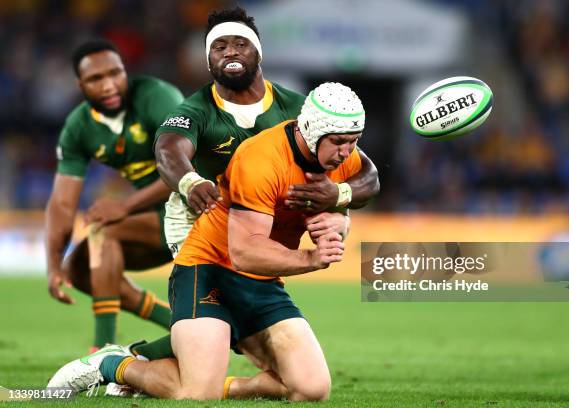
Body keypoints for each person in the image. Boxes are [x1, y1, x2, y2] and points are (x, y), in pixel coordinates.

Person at [48, 82, 371, 402]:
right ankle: (113, 364)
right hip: (210, 269)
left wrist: (340, 218)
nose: (345, 152)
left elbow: (369, 180)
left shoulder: (340, 155)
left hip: (262, 280)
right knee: (198, 393)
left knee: (312, 389)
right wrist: (312, 258)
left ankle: (222, 386)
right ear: (312, 129)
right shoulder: (261, 158)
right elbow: (245, 253)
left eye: (353, 142)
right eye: (339, 142)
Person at [119, 6, 379, 362]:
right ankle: (132, 361)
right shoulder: (196, 110)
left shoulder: (299, 108)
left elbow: (361, 170)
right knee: (226, 307)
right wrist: (190, 181)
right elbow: (168, 149)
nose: (229, 51)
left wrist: (338, 198)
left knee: (235, 319)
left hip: (260, 220)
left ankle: (133, 360)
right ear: (208, 59)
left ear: (259, 52)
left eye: (240, 43)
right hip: (199, 219)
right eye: (219, 46)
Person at [44, 39, 184, 352]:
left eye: (115, 73)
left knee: (102, 232)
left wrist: (125, 206)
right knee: (76, 270)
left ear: (125, 72)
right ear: (80, 85)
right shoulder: (79, 127)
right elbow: (62, 202)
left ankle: (102, 350)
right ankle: (177, 323)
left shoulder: (157, 98)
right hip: (156, 220)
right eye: (96, 79)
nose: (109, 85)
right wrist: (53, 265)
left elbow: (187, 172)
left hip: (196, 211)